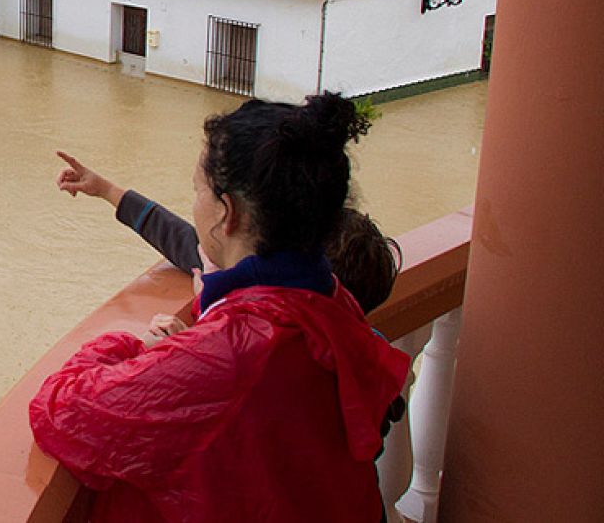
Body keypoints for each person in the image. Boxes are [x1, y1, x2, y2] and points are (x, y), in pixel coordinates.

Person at [29, 93, 411, 522]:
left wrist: (129, 348)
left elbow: (61, 411)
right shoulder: (331, 299)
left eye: (198, 190)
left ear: (226, 214)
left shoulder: (233, 354)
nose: (194, 204)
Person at [55, 153, 402, 314]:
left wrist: (201, 325)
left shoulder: (255, 322)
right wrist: (106, 190)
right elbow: (185, 241)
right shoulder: (353, 351)